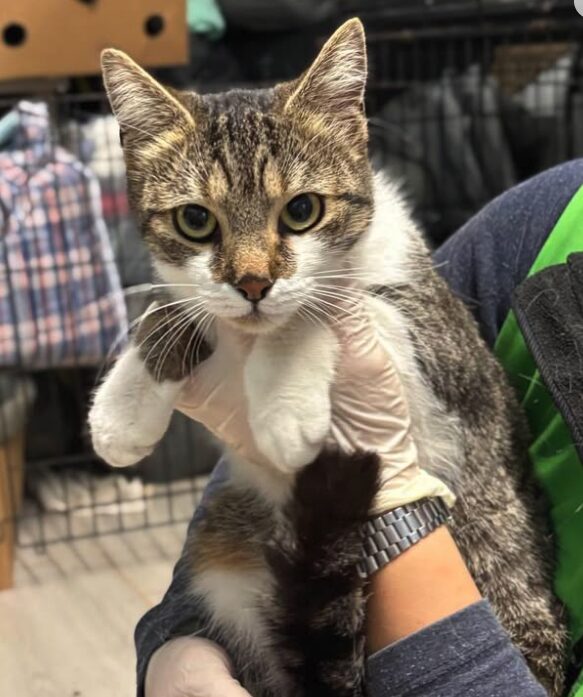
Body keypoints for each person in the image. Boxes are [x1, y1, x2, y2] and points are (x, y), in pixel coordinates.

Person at [136, 160, 583, 697]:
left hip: (499, 632)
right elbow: (265, 457)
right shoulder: (551, 220)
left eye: (297, 211)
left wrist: (391, 507)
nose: (253, 267)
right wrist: (180, 643)